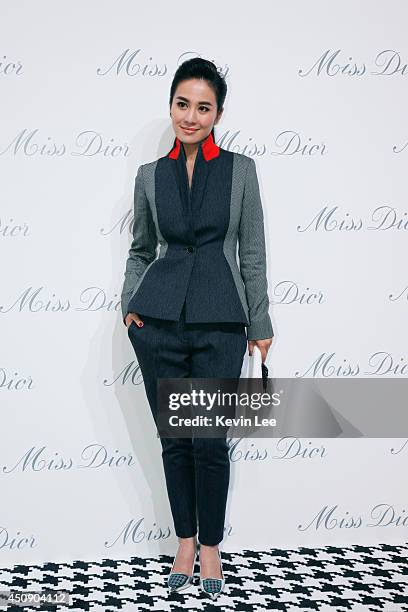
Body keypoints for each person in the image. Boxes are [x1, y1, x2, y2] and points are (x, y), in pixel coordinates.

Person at [121, 57, 273, 598]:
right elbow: (141, 249)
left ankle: (210, 548)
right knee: (174, 442)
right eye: (182, 104)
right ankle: (183, 540)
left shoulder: (240, 171)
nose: (191, 116)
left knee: (209, 442)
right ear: (171, 107)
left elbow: (251, 252)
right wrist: (129, 307)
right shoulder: (149, 176)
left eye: (203, 107)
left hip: (221, 323)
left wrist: (260, 321)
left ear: (218, 113)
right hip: (158, 323)